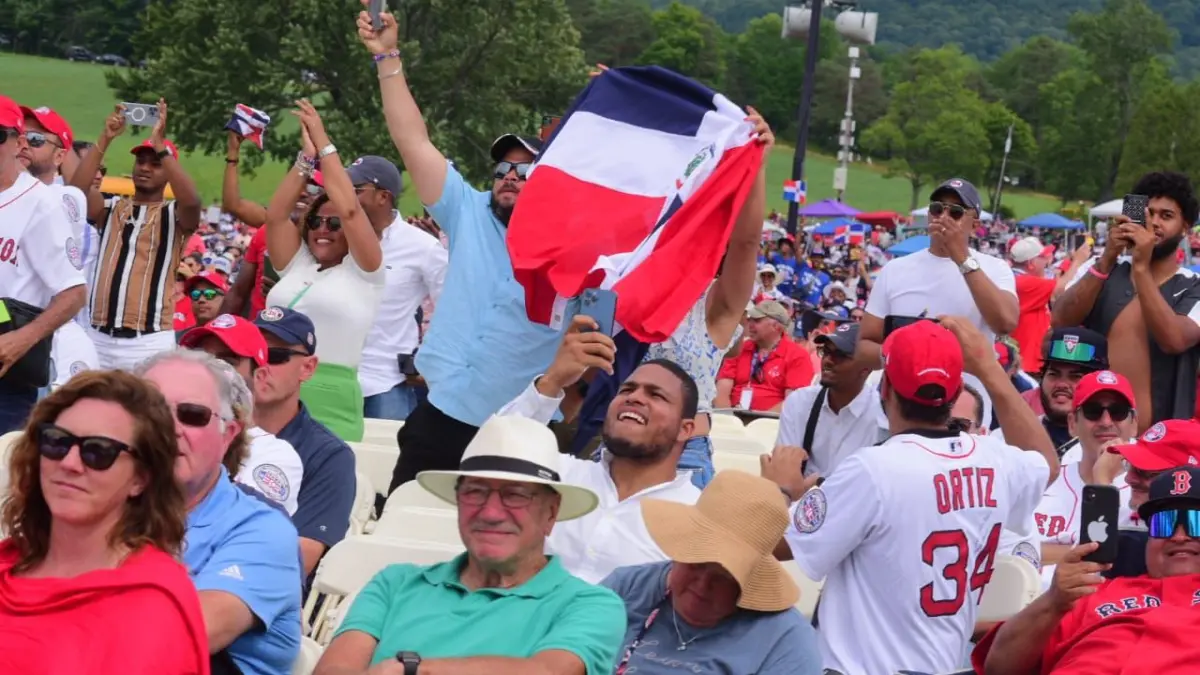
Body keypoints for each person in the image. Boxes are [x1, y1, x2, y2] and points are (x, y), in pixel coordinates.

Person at [774, 317, 1059, 675]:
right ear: (955, 394)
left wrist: (782, 489)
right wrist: (989, 367)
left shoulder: (872, 470)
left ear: (885, 390)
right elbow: (1047, 464)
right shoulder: (995, 459)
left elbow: (777, 544)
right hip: (945, 665)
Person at [358, 9, 565, 492]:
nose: (509, 177)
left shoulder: (569, 256)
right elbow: (411, 139)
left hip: (520, 430)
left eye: (523, 171)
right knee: (402, 532)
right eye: (501, 170)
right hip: (441, 413)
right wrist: (387, 56)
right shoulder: (468, 211)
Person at [314, 415, 625, 674]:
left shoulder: (590, 604)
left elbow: (547, 671)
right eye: (475, 491)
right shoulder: (395, 582)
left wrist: (413, 669)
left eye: (515, 494)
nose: (490, 513)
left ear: (551, 512)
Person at [0, 370, 209, 674]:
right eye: (57, 442)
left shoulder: (152, 607)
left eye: (98, 451)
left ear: (141, 478)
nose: (70, 464)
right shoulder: (8, 562)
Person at [497, 318, 703, 582]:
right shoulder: (560, 474)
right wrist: (553, 380)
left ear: (685, 429)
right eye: (627, 389)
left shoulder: (697, 516)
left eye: (656, 395)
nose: (635, 397)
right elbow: (494, 453)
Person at [138, 350, 302, 675]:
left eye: (192, 414)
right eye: (150, 411)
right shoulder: (99, 508)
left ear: (228, 435)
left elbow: (178, 639)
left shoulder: (261, 530)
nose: (168, 428)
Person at [974, 466, 1200, 674]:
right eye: (1164, 523)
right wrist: (1053, 601)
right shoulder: (1086, 594)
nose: (1179, 536)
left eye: (1196, 522)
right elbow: (1000, 667)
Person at [600, 471, 821, 674]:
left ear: (750, 580)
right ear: (680, 549)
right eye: (696, 563)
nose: (703, 584)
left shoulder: (785, 640)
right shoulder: (626, 588)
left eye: (724, 575)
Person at [263, 101, 385, 442]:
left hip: (332, 396)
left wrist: (323, 142)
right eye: (315, 221)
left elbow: (349, 208)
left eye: (333, 224)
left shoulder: (367, 271)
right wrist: (305, 159)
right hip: (273, 385)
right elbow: (275, 215)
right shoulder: (299, 263)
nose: (322, 229)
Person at [1052, 171, 1200, 429]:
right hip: (1092, 433)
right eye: (1148, 213)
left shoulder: (1192, 286)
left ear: (1185, 227)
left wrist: (1141, 269)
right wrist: (1108, 257)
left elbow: (1174, 339)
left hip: (1160, 446)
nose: (1154, 223)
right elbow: (1061, 320)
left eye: (1166, 216)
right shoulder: (1103, 269)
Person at [68, 100, 203, 370]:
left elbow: (193, 203)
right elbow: (76, 192)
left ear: (168, 171)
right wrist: (105, 138)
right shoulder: (112, 208)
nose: (144, 167)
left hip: (149, 340)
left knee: (146, 413)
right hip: (98, 337)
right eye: (140, 161)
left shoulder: (175, 215)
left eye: (155, 164)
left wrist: (161, 146)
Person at [0, 95, 87, 432]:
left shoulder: (41, 204)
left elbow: (74, 293)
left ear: (18, 143)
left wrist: (23, 339)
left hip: (7, 372)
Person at [253, 307, 357, 579]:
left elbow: (298, 561)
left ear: (308, 368)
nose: (260, 366)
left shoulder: (330, 456)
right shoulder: (207, 432)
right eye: (251, 354)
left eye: (275, 356)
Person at [860, 179, 1018, 358]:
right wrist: (897, 354)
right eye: (937, 209)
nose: (943, 217)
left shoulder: (995, 268)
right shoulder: (895, 269)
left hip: (967, 384)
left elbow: (1005, 324)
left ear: (974, 226)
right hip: (904, 383)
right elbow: (865, 344)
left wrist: (962, 258)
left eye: (956, 212)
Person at [180, 314, 306, 516]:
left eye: (227, 361)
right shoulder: (174, 432)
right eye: (201, 358)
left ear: (260, 376)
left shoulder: (274, 453)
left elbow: (244, 527)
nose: (210, 369)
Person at [355, 156, 447, 422]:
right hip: (334, 379)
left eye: (357, 190)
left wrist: (427, 357)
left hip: (386, 383)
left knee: (381, 462)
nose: (346, 197)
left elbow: (452, 307)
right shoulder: (337, 238)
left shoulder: (422, 247)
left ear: (383, 196)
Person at [16, 104, 101, 389]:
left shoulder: (66, 198)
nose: (24, 143)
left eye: (37, 139)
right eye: (19, 135)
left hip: (44, 334)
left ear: (60, 156)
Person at [1033, 370, 1139, 584]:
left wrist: (1047, 551)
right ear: (1072, 423)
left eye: (1117, 411)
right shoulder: (1044, 480)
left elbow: (1119, 562)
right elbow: (1013, 551)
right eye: (1093, 411)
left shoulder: (1144, 490)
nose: (1106, 421)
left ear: (1134, 423)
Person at [776, 322, 885, 476]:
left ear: (866, 368)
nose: (827, 360)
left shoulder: (881, 416)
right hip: (799, 497)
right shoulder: (800, 402)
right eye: (826, 351)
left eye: (840, 355)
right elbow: (783, 471)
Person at [1008, 236, 1090, 377]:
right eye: (1042, 257)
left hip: (1026, 360)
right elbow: (1061, 289)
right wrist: (1078, 261)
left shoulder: (1016, 278)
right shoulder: (1024, 282)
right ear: (1031, 263)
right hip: (1028, 363)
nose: (1047, 259)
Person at [715, 300, 814, 412]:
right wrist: (727, 418)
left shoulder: (797, 355)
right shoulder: (740, 348)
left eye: (756, 320)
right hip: (732, 418)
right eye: (749, 319)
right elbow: (721, 391)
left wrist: (759, 423)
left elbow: (793, 403)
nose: (750, 325)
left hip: (771, 423)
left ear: (776, 326)